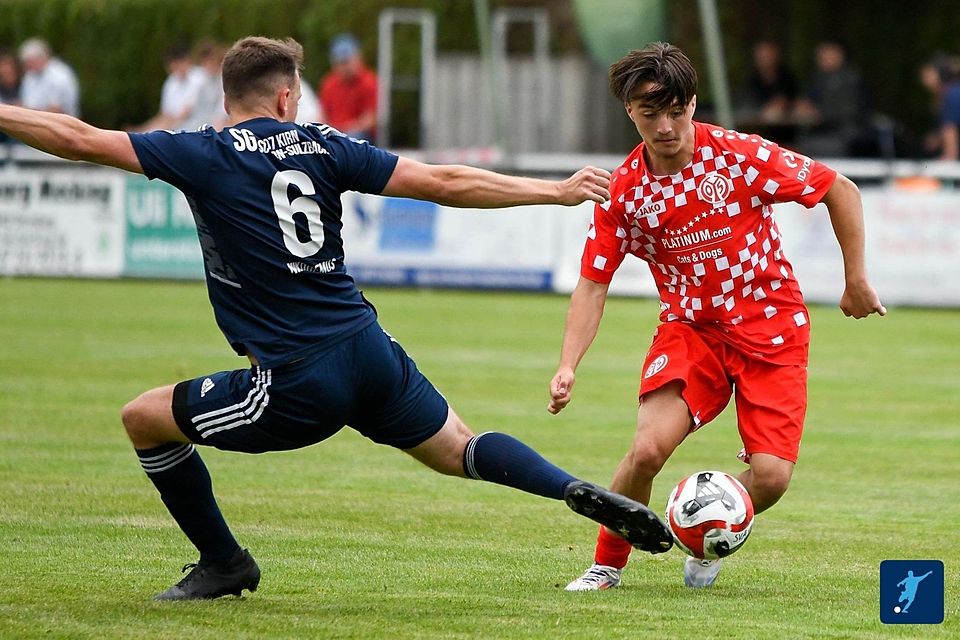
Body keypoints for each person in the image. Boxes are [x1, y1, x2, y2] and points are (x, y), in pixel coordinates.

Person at [0, 36, 674, 601]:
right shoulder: (323, 146)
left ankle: (225, 563)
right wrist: (553, 191)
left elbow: (79, 137)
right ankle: (570, 487)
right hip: (368, 348)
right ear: (288, 98)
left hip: (297, 379)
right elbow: (442, 183)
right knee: (459, 449)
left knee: (143, 418)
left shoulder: (201, 151)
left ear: (224, 95)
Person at [549, 42, 885, 592]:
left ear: (693, 104)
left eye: (677, 111)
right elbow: (593, 283)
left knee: (773, 479)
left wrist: (855, 280)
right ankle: (606, 565)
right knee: (647, 449)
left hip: (770, 327)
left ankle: (710, 523)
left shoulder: (739, 155)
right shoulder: (624, 193)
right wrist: (568, 364)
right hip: (691, 332)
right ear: (629, 111)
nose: (666, 127)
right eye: (650, 113)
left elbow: (838, 190)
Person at [793, 39, 869, 157]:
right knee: (800, 140)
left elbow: (849, 112)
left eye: (827, 55)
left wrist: (818, 113)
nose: (822, 60)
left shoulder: (850, 79)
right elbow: (807, 100)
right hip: (823, 130)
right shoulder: (818, 78)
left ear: (839, 56)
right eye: (820, 56)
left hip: (847, 132)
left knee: (809, 145)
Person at [129, 44, 203, 132]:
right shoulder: (171, 81)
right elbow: (165, 115)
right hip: (175, 129)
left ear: (186, 60)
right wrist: (143, 129)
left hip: (194, 129)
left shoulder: (199, 77)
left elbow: (185, 113)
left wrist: (155, 132)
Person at [318, 33, 378, 140]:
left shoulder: (369, 82)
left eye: (347, 61)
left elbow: (370, 120)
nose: (344, 67)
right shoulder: (329, 83)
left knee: (352, 138)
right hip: (334, 133)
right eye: (340, 62)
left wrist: (343, 130)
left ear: (358, 58)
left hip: (359, 137)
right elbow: (322, 116)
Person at [738, 39, 798, 123]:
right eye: (762, 55)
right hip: (757, 122)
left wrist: (782, 104)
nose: (765, 59)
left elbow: (792, 98)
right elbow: (748, 100)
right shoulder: (752, 77)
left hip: (785, 124)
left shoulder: (785, 75)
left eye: (768, 54)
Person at [18, 38, 80, 116]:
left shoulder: (59, 75)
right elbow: (26, 102)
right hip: (34, 120)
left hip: (60, 122)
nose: (27, 66)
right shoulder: (30, 75)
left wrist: (27, 111)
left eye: (29, 62)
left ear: (40, 58)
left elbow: (56, 110)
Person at [919, 54, 960, 160]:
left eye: (928, 72)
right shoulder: (952, 92)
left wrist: (946, 161)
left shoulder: (951, 95)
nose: (922, 76)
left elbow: (950, 131)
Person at [180, 40, 228, 131]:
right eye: (205, 62)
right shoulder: (198, 77)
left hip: (212, 127)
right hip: (195, 127)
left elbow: (221, 113)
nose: (209, 65)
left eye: (212, 61)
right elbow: (187, 108)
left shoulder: (223, 79)